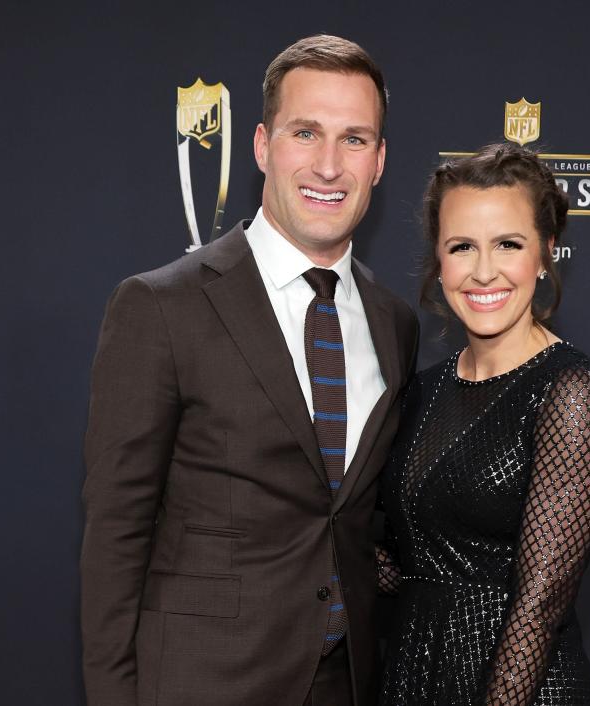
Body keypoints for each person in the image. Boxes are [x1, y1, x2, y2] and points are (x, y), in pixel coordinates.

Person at [81, 35, 419, 706]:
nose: (329, 165)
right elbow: (115, 535)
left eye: (355, 140)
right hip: (198, 684)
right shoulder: (161, 306)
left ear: (380, 162)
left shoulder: (393, 322)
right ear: (263, 145)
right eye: (306, 133)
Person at [377, 143, 590, 705]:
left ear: (544, 255)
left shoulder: (572, 391)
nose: (483, 270)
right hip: (415, 680)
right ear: (439, 261)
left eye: (507, 245)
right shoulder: (422, 390)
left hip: (519, 690)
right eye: (462, 246)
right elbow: (414, 565)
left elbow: (539, 607)